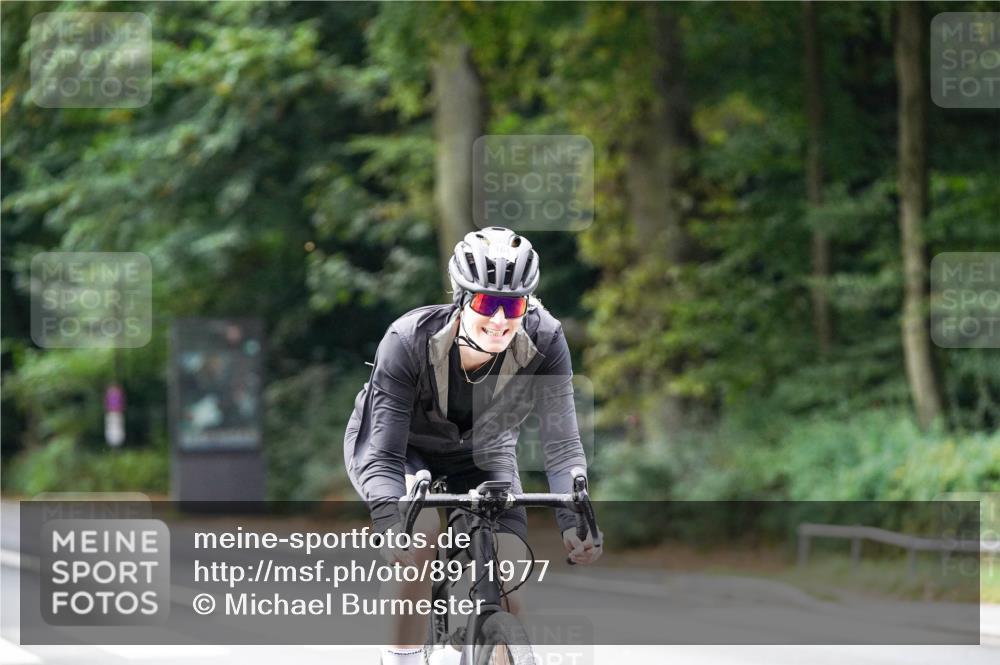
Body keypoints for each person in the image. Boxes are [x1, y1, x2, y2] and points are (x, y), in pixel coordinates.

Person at [344, 226, 601, 665]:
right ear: (463, 299)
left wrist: (574, 520)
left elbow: (562, 447)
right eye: (487, 303)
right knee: (418, 540)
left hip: (484, 450)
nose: (500, 319)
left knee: (512, 578)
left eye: (513, 304)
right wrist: (390, 522)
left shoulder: (546, 339)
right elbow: (384, 455)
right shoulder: (407, 340)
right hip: (402, 449)